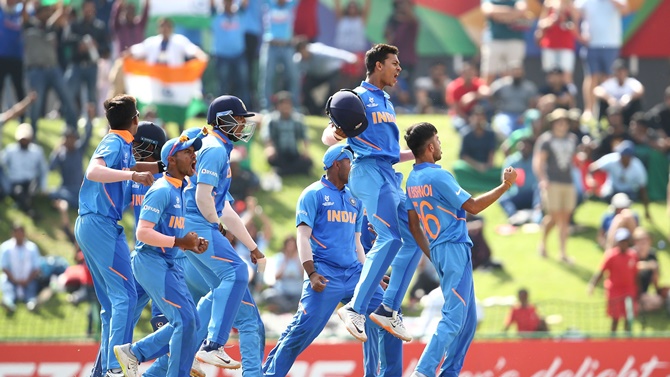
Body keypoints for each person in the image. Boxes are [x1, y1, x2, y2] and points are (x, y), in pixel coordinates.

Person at [262, 144, 402, 377]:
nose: (354, 167)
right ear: (337, 163)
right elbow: (302, 237)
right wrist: (312, 273)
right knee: (301, 333)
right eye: (350, 162)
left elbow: (357, 242)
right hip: (325, 275)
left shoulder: (354, 199)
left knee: (388, 314)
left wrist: (371, 273)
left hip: (354, 274)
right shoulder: (313, 193)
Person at [403, 122, 517, 377]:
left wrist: (432, 253)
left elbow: (413, 225)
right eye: (438, 140)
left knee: (467, 320)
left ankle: (450, 372)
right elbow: (473, 207)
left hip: (442, 251)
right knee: (454, 318)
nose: (441, 144)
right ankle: (423, 371)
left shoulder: (412, 180)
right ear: (430, 147)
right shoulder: (438, 175)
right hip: (453, 250)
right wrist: (505, 185)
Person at [321, 44, 415, 343]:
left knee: (412, 239)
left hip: (388, 173)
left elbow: (386, 152)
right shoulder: (356, 97)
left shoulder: (386, 101)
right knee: (390, 238)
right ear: (377, 66)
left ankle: (388, 309)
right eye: (394, 63)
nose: (399, 68)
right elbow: (329, 136)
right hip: (367, 172)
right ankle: (355, 309)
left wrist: (417, 152)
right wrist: (338, 132)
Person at [74, 94, 159, 377]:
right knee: (126, 295)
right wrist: (132, 177)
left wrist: (162, 167)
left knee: (112, 304)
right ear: (134, 119)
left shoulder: (121, 144)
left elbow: (130, 168)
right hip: (101, 224)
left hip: (91, 224)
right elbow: (94, 171)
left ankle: (103, 371)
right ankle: (115, 368)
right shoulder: (115, 142)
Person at [113, 135, 208, 377]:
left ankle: (134, 354)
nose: (194, 155)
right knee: (185, 322)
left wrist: (191, 243)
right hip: (151, 261)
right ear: (172, 160)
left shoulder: (180, 190)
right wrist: (180, 242)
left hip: (169, 262)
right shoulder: (162, 189)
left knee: (193, 323)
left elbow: (171, 230)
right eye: (188, 152)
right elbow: (143, 233)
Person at [182, 95, 265, 371]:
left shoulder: (218, 147)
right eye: (239, 119)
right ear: (224, 120)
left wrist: (252, 246)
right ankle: (213, 344)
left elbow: (225, 207)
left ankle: (183, 353)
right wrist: (215, 224)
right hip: (196, 222)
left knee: (222, 286)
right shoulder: (215, 149)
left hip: (191, 223)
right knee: (237, 273)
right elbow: (203, 196)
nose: (243, 125)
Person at [22, 1, 78, 135]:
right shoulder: (29, 25)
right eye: (45, 11)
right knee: (36, 104)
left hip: (53, 69)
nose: (48, 13)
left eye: (49, 11)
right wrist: (25, 3)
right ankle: (32, 134)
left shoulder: (51, 26)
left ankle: (73, 131)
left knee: (68, 99)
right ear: (38, 13)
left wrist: (62, 3)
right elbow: (23, 15)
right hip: (36, 70)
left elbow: (61, 15)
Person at [533, 108, 577, 263]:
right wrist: (542, 179)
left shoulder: (572, 139)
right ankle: (562, 252)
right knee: (560, 218)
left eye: (564, 121)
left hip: (568, 182)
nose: (561, 125)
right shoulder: (546, 140)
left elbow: (574, 160)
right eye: (558, 122)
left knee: (559, 217)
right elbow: (539, 161)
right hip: (552, 183)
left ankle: (545, 244)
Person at [576, 0, 627, 118]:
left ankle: (606, 109)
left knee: (608, 78)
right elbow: (575, 12)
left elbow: (625, 9)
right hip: (591, 44)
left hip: (611, 43)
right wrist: (579, 34)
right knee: (591, 76)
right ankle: (589, 110)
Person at [49, 116, 94, 244]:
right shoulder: (61, 154)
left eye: (72, 138)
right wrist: (57, 149)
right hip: (66, 189)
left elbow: (88, 135)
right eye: (68, 138)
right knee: (53, 193)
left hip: (80, 190)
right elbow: (51, 167)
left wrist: (90, 120)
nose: (70, 140)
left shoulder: (79, 150)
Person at [588, 227, 638, 333]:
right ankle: (612, 341)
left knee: (628, 317)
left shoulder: (632, 255)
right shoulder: (611, 256)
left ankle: (628, 342)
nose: (623, 244)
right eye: (621, 242)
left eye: (625, 241)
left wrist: (638, 292)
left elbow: (636, 275)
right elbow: (601, 272)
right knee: (615, 318)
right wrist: (592, 284)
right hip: (615, 291)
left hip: (628, 291)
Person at [65, 0, 109, 116]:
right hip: (77, 65)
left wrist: (96, 46)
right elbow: (66, 39)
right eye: (86, 9)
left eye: (91, 9)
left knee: (91, 99)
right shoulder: (75, 24)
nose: (89, 11)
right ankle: (71, 121)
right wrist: (80, 43)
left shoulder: (99, 26)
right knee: (69, 94)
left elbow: (106, 47)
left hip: (92, 66)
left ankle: (89, 126)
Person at [588, 140, 650, 220]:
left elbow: (643, 189)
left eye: (625, 155)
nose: (622, 157)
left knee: (625, 207)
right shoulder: (612, 159)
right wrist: (591, 180)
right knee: (607, 199)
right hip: (612, 190)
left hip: (629, 192)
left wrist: (647, 211)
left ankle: (625, 217)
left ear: (630, 156)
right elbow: (592, 168)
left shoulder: (638, 167)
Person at [294, 39, 358, 115]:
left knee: (332, 87)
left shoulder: (319, 51)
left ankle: (326, 109)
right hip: (315, 75)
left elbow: (336, 53)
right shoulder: (298, 59)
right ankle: (315, 111)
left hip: (331, 73)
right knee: (305, 88)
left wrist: (351, 58)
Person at [258, 0, 299, 110]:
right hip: (271, 46)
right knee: (267, 77)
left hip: (287, 46)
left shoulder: (291, 4)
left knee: (293, 76)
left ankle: (293, 107)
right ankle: (266, 107)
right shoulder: (268, 4)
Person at [262, 91, 313, 176]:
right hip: (279, 154)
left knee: (308, 162)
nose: (285, 106)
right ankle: (291, 171)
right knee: (271, 159)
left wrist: (305, 151)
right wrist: (270, 148)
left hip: (294, 153)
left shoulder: (298, 119)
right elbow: (267, 137)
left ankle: (282, 171)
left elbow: (305, 137)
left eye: (287, 104)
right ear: (278, 106)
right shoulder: (271, 120)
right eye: (283, 104)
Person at [2, 122, 48, 217]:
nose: (23, 142)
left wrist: (44, 187)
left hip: (31, 181)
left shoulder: (37, 151)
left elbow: (43, 170)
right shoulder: (10, 150)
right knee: (18, 192)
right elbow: (1, 163)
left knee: (31, 191)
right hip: (16, 182)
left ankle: (24, 205)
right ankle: (30, 211)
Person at [480, 0, 531, 84]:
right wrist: (512, 13)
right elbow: (489, 10)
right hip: (494, 41)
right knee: (488, 73)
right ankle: (484, 97)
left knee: (514, 73)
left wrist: (500, 15)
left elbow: (522, 10)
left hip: (515, 41)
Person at [453, 106, 501, 193]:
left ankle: (484, 183)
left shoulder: (490, 134)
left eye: (481, 117)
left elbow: (492, 151)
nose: (479, 120)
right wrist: (477, 166)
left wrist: (487, 165)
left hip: (487, 168)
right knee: (458, 167)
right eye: (476, 116)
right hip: (471, 168)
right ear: (471, 118)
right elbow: (463, 156)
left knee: (501, 172)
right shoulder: (466, 134)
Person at [211, 0, 250, 105]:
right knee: (223, 85)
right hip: (222, 56)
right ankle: (220, 107)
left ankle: (244, 108)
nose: (228, 3)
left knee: (242, 84)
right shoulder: (215, 15)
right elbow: (210, 4)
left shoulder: (240, 14)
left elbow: (245, 3)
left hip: (239, 55)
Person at [535, 0, 581, 84]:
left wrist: (566, 19)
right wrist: (553, 19)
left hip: (566, 46)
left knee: (566, 76)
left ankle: (567, 95)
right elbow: (541, 24)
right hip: (549, 46)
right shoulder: (549, 4)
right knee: (550, 76)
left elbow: (575, 28)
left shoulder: (572, 7)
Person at [1, 224, 41, 313]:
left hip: (29, 280)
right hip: (11, 280)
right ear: (13, 233)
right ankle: (9, 304)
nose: (19, 235)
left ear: (24, 233)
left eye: (21, 232)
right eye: (16, 233)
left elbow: (36, 268)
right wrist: (14, 280)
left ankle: (32, 304)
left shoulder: (32, 248)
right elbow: (4, 267)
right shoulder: (5, 247)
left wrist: (27, 280)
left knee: (31, 293)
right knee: (9, 292)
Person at [333, 0, 371, 88]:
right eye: (350, 7)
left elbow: (367, 8)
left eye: (354, 7)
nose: (352, 9)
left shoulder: (361, 20)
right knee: (342, 77)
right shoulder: (342, 19)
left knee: (354, 78)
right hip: (342, 53)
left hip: (357, 53)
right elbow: (337, 5)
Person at [594, 59, 644, 125]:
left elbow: (640, 90)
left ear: (626, 71)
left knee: (636, 102)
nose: (619, 73)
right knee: (602, 102)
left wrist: (628, 98)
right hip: (612, 110)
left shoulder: (631, 82)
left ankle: (637, 125)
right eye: (617, 71)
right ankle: (600, 126)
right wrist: (609, 99)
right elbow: (597, 90)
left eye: (621, 71)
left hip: (627, 111)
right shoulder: (610, 83)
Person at [445, 61, 489, 136]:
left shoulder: (477, 82)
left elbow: (487, 91)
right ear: (461, 73)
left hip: (475, 114)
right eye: (466, 72)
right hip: (461, 115)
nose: (469, 75)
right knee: (462, 127)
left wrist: (472, 96)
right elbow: (456, 109)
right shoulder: (454, 86)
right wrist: (468, 119)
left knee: (485, 104)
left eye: (471, 72)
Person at [0, 0, 26, 112]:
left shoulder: (20, 10)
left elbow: (27, 16)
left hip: (16, 57)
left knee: (19, 89)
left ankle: (23, 118)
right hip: (2, 56)